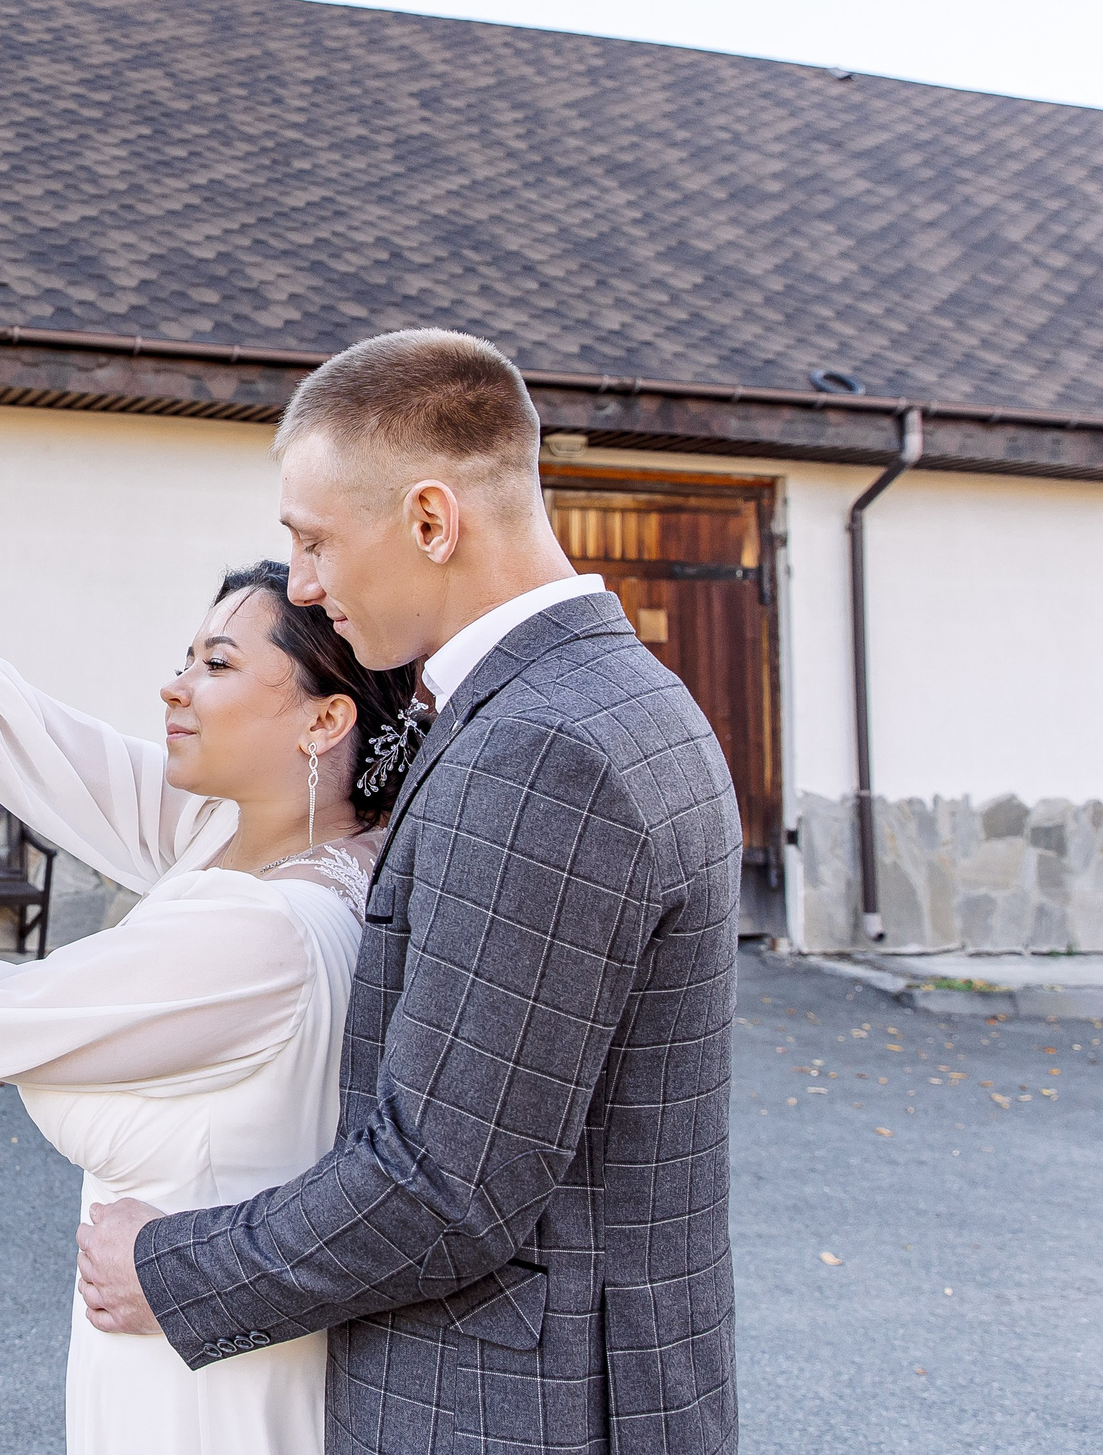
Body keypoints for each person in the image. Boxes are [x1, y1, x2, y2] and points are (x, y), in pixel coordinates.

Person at [72, 328, 743, 1455]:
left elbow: (447, 1187)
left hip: (510, 1414)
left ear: (432, 520)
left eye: (315, 541)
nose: (305, 584)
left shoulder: (544, 750)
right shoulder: (601, 698)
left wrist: (174, 1267)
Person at [0, 538, 424, 1455]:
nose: (175, 686)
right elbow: (73, 757)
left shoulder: (260, 930)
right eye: (184, 658)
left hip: (197, 1374)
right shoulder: (312, 849)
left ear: (323, 721)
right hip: (218, 1336)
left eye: (217, 664)